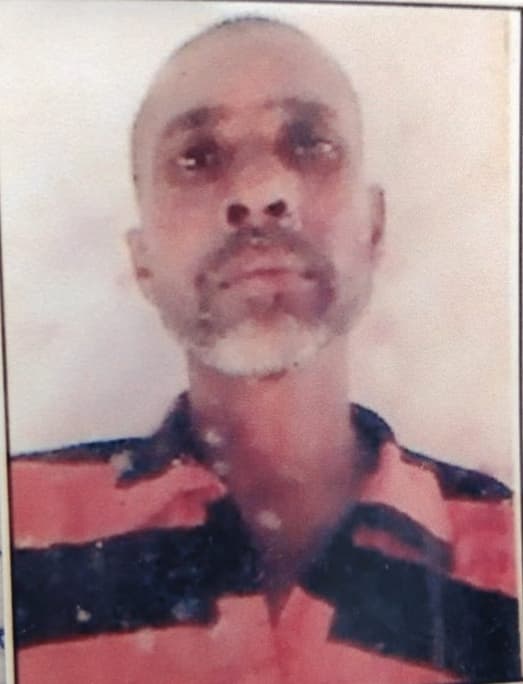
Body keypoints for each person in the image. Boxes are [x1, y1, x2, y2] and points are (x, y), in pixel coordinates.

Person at [10, 16, 520, 684]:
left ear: (373, 228)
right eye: (197, 157)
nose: (257, 193)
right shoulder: (18, 521)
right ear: (142, 261)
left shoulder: (506, 549)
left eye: (310, 143)